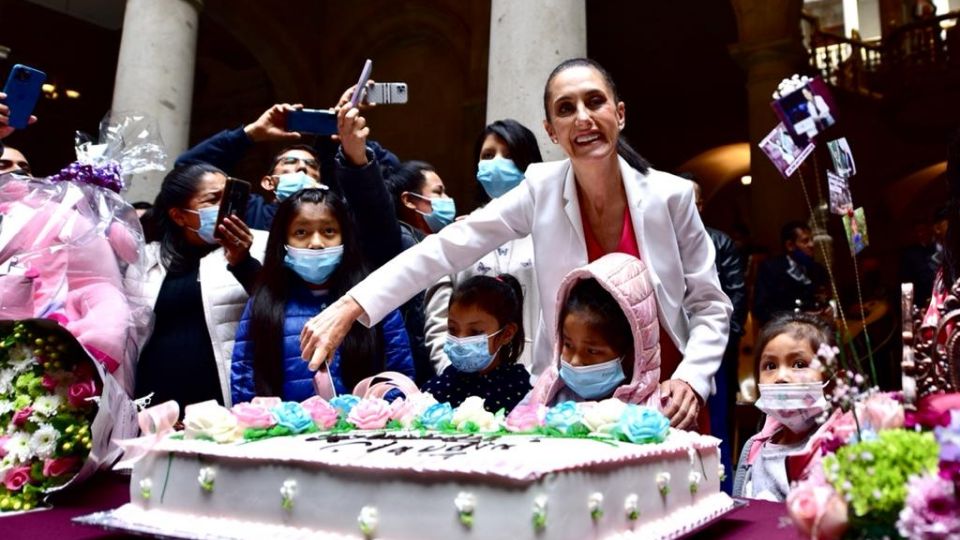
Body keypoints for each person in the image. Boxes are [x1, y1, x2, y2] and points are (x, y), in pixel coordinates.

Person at [301, 58, 731, 431]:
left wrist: (692, 379)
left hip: (669, 401)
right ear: (551, 130)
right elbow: (448, 248)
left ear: (619, 114)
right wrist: (352, 304)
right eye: (566, 109)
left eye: (594, 102)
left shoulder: (669, 196)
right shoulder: (540, 190)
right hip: (572, 401)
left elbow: (710, 305)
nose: (582, 117)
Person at [230, 188, 415, 403]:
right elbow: (244, 384)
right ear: (283, 241)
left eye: (328, 231)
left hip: (367, 432)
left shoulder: (373, 297)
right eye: (301, 232)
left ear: (345, 237)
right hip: (286, 433)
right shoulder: (263, 302)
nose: (316, 243)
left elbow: (399, 377)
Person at [128, 163, 266, 409]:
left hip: (226, 398)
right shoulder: (146, 258)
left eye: (230, 196)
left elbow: (277, 307)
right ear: (179, 216)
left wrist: (243, 261)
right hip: (155, 401)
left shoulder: (260, 245)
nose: (225, 208)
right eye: (213, 200)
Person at [423, 119, 543, 373]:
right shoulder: (459, 233)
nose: (497, 162)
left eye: (509, 155)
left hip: (538, 379)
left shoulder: (550, 233)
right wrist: (450, 370)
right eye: (488, 155)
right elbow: (438, 317)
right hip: (467, 383)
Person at [175, 102, 400, 232]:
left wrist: (343, 135)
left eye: (312, 166)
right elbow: (187, 172)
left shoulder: (340, 214)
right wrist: (249, 134)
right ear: (268, 181)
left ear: (320, 181)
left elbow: (390, 177)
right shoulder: (248, 211)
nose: (302, 168)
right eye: (289, 162)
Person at [524, 253, 660, 406]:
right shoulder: (546, 396)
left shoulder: (654, 412)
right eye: (568, 345)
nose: (575, 362)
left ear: (630, 354)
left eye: (592, 351)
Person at [733, 312, 832, 501]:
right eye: (770, 366)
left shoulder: (838, 449)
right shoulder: (754, 449)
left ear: (833, 381)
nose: (781, 377)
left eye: (799, 364)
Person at [690, 177, 746, 493]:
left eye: (696, 201)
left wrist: (723, 343)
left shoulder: (720, 241)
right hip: (673, 348)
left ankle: (721, 488)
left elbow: (736, 295)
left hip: (713, 348)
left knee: (717, 421)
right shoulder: (662, 239)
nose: (691, 207)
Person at [421, 274, 530, 412]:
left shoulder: (521, 390)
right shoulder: (439, 386)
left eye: (475, 332)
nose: (460, 340)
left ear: (507, 333)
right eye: (453, 329)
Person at [753, 221, 829, 327]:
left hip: (815, 328)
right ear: (790, 245)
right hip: (784, 329)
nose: (811, 245)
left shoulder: (818, 269)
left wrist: (827, 309)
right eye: (805, 241)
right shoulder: (771, 269)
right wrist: (797, 317)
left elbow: (823, 299)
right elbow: (760, 310)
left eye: (811, 240)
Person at [385, 160, 456, 238]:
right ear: (409, 200)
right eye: (438, 192)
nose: (447, 199)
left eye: (444, 193)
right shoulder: (403, 244)